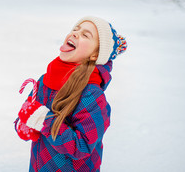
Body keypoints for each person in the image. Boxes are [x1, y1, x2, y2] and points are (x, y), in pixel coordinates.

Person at [14, 16, 127, 171]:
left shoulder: (91, 95)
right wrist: (24, 124)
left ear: (95, 55)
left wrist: (43, 120)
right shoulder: (45, 80)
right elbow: (28, 113)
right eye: (75, 29)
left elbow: (81, 147)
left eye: (86, 35)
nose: (75, 33)